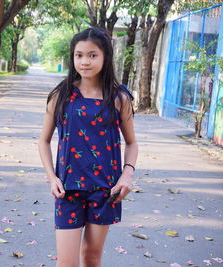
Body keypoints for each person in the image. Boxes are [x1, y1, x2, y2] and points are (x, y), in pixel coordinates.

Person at [38, 27, 138, 267]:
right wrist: (52, 178)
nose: (84, 61)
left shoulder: (118, 98)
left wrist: (127, 175)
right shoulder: (61, 95)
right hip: (68, 190)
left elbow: (132, 143)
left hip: (105, 190)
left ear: (105, 57)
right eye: (79, 55)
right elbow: (43, 141)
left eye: (92, 55)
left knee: (92, 259)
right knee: (66, 263)